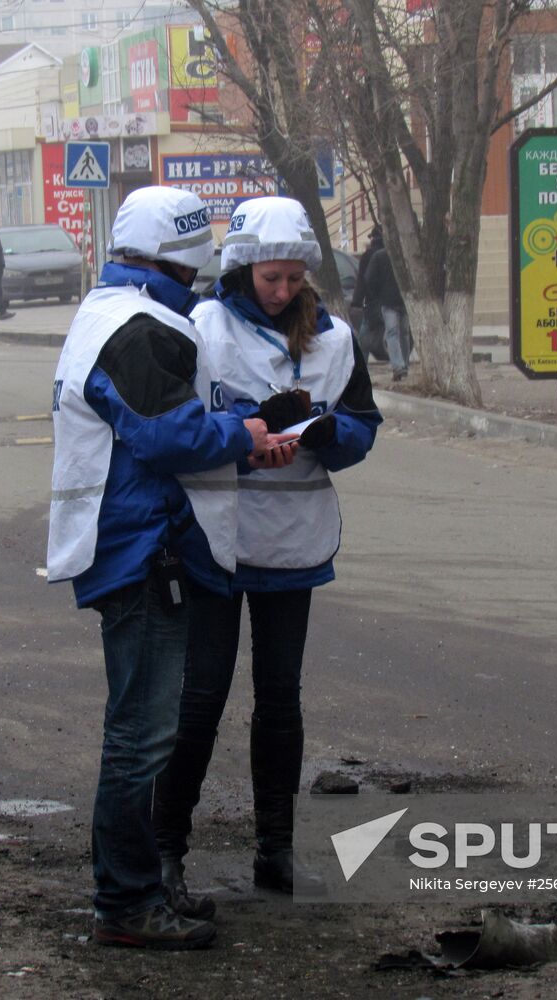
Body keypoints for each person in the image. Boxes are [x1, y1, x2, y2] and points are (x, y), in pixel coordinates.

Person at [46, 185, 291, 950]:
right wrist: (242, 431)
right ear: (182, 263)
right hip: (139, 550)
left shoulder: (106, 311)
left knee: (138, 732)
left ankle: (137, 888)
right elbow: (167, 438)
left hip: (122, 543)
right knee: (139, 738)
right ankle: (124, 904)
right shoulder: (142, 327)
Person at [153, 196, 381, 915]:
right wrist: (242, 431)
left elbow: (363, 427)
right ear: (242, 268)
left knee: (280, 700)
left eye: (291, 280)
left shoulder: (335, 340)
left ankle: (275, 854)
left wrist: (325, 435)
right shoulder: (199, 328)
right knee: (199, 701)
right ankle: (166, 856)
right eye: (267, 278)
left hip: (292, 543)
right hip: (214, 537)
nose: (280, 292)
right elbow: (178, 424)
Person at [364, 240, 410, 380]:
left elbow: (369, 278)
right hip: (405, 300)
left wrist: (377, 296)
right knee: (404, 334)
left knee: (392, 333)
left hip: (388, 302)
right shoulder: (405, 255)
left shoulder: (379, 256)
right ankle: (404, 365)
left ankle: (398, 366)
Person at [348, 224, 385, 361]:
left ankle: (361, 361)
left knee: (365, 335)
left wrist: (356, 301)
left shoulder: (368, 255)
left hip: (372, 301)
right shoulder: (393, 254)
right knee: (396, 334)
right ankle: (400, 364)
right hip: (392, 301)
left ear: (373, 238)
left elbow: (362, 281)